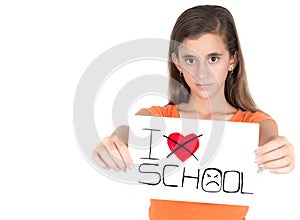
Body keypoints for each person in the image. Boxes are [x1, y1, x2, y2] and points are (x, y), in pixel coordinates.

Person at [92, 5, 295, 220]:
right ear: (177, 62)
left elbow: (270, 137)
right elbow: (133, 129)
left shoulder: (253, 123)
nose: (202, 73)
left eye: (213, 59)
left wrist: (281, 150)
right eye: (191, 60)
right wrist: (117, 138)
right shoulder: (160, 118)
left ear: (232, 60)